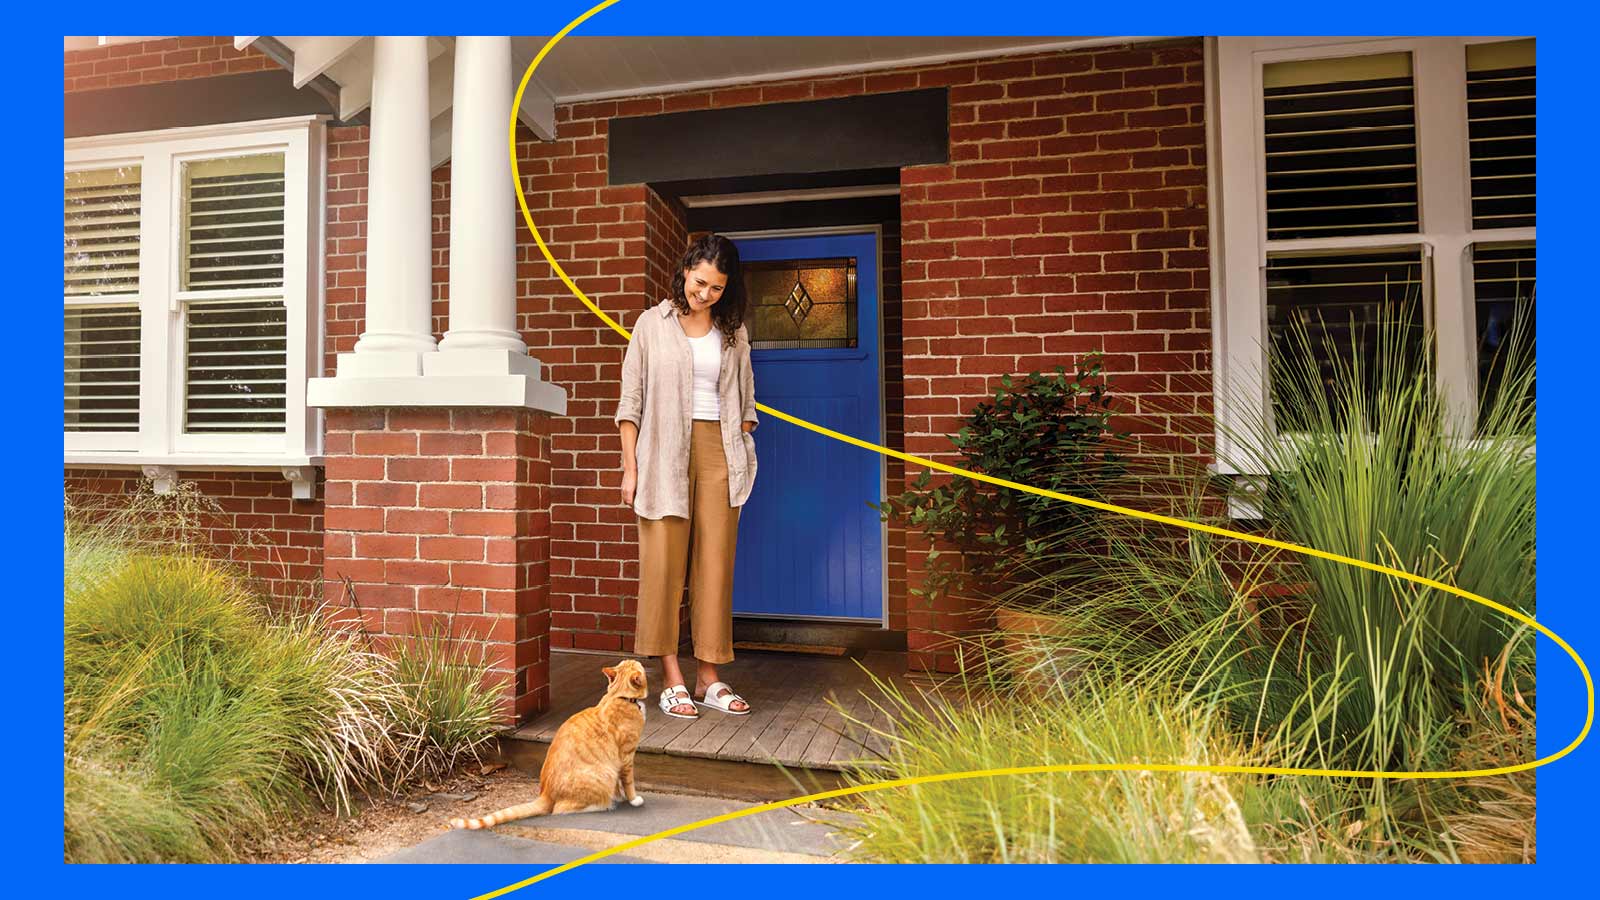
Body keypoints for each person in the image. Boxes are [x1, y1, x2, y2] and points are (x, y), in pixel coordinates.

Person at [614, 234, 759, 719]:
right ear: (684, 271)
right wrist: (631, 468)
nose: (705, 294)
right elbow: (630, 403)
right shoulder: (650, 325)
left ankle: (708, 677)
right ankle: (672, 676)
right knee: (664, 565)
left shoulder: (734, 332)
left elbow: (747, 403)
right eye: (700, 282)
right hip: (661, 453)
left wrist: (740, 443)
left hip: (720, 450)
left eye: (717, 288)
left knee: (714, 565)